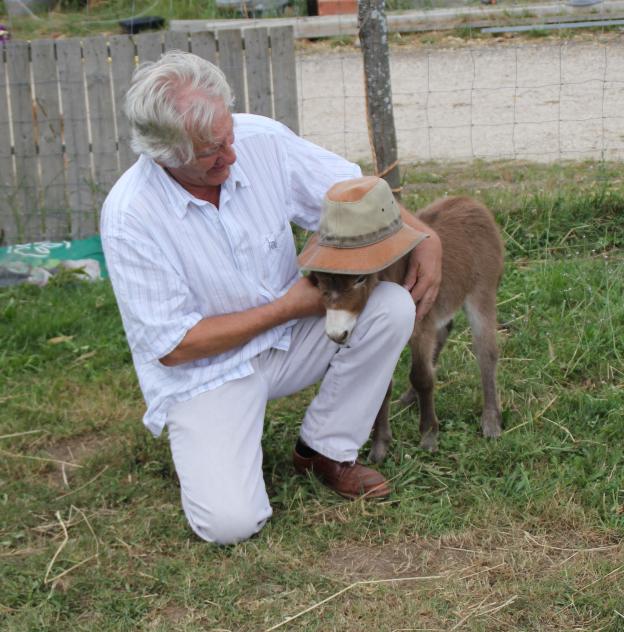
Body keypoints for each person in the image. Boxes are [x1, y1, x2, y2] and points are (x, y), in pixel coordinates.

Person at [100, 51, 442, 545]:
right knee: (229, 524)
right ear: (163, 154)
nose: (231, 154)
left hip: (294, 336)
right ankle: (211, 450)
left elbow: (354, 192)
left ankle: (325, 448)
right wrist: (288, 308)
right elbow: (175, 346)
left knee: (390, 307)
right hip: (207, 374)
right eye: (210, 151)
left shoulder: (259, 139)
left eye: (228, 135)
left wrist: (424, 236)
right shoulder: (130, 217)